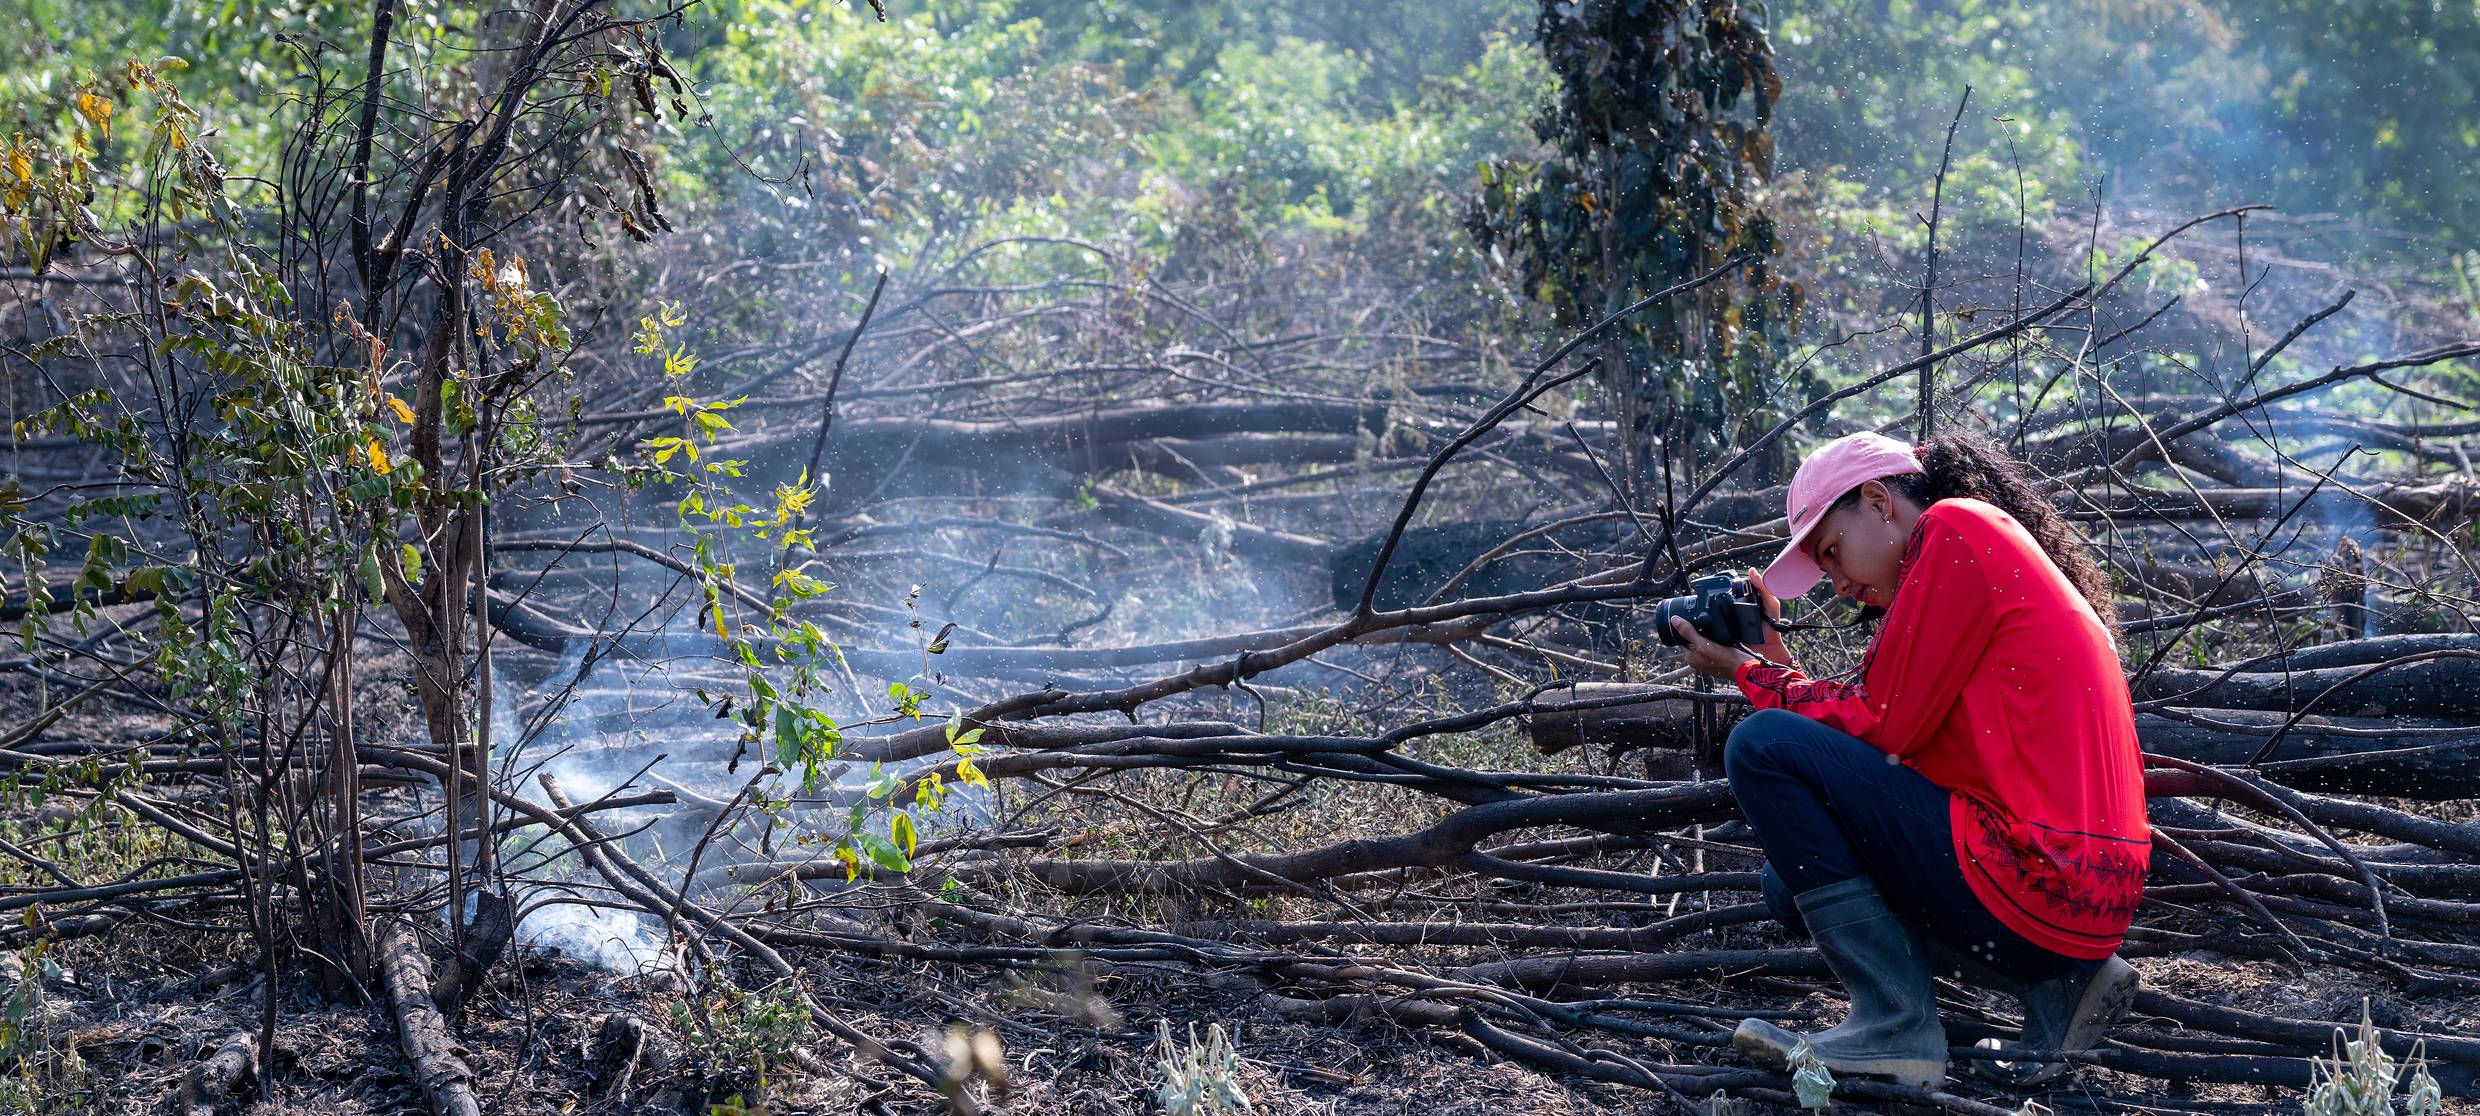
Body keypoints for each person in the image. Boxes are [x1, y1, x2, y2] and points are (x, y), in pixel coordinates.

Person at [1666, 430, 2149, 1089]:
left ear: (1877, 501)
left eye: (1832, 553)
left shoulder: (1953, 529)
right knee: (1788, 883)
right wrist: (1773, 667)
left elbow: (1880, 724)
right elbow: (1883, 735)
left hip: (2038, 881)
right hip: (2084, 902)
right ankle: (2059, 992)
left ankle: (1898, 1026)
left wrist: (1750, 674)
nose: (1837, 586)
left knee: (1759, 747)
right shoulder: (1982, 546)